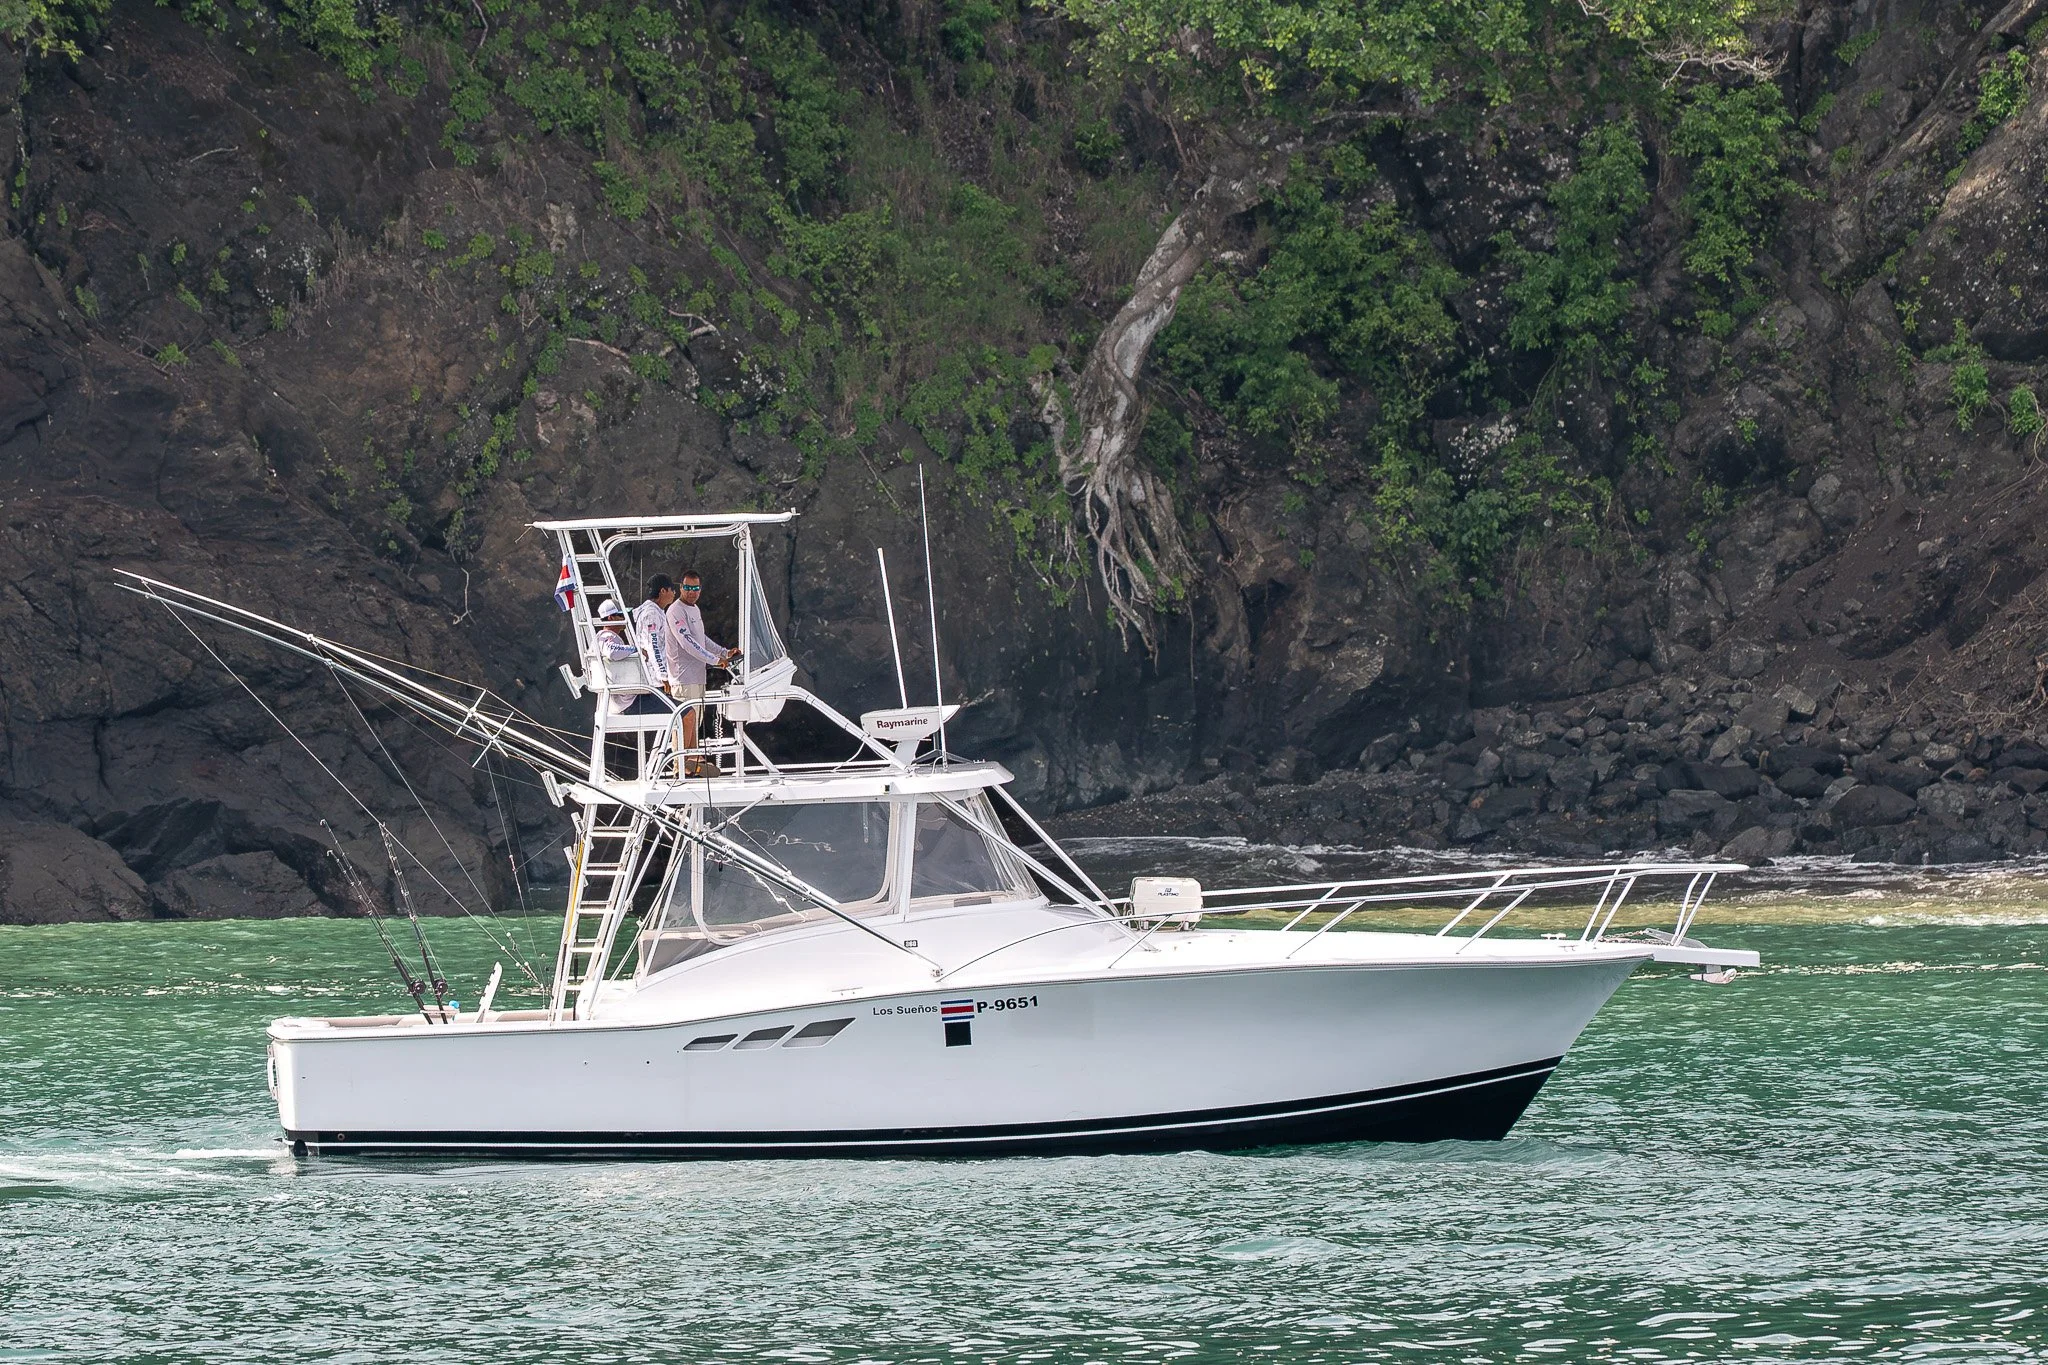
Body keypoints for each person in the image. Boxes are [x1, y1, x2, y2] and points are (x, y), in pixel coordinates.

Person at [663, 568, 742, 776]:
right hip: (682, 677)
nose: (691, 592)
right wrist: (716, 660)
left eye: (695, 588)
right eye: (688, 588)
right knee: (685, 721)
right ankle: (680, 766)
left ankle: (692, 762)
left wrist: (725, 652)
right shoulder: (675, 610)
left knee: (695, 722)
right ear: (681, 587)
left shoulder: (695, 610)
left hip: (698, 677)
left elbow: (702, 639)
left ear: (700, 589)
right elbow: (687, 642)